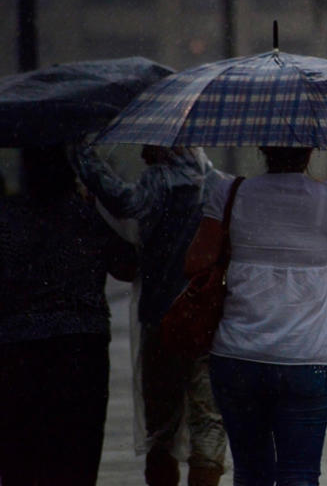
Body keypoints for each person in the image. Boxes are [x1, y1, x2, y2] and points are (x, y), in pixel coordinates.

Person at [185, 146, 327, 486]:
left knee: (251, 473)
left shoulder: (230, 192)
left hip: (238, 357)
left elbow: (195, 261)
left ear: (262, 148)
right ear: (311, 150)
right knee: (300, 475)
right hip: (307, 359)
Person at [70, 143, 229, 486]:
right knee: (208, 420)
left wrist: (84, 157)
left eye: (148, 146)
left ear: (164, 146)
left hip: (161, 319)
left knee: (162, 426)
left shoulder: (156, 183)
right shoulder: (218, 184)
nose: (142, 153)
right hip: (207, 320)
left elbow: (123, 203)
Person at [0, 146, 136, 485]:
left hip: (18, 348)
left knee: (21, 456)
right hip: (81, 347)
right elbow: (127, 265)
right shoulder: (85, 215)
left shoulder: (7, 217)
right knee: (78, 453)